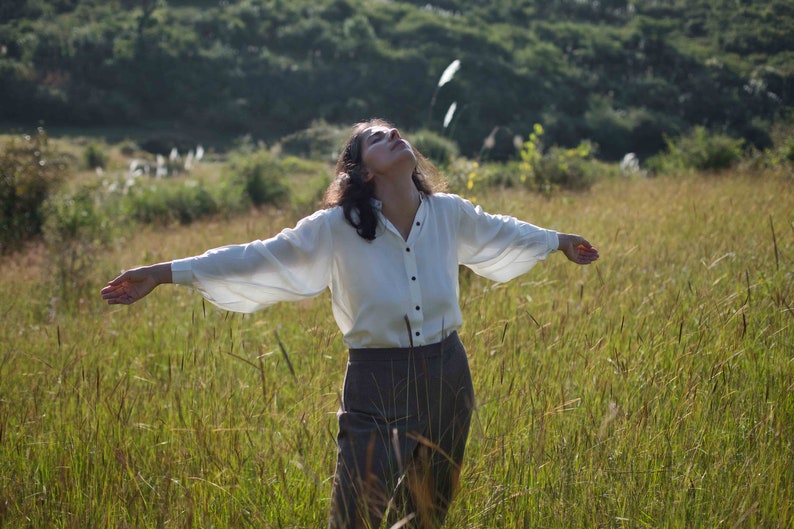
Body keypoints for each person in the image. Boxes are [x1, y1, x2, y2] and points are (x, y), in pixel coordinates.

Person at [101, 118, 599, 528]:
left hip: (448, 375)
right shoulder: (335, 228)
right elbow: (255, 257)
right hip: (375, 384)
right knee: (354, 518)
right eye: (376, 138)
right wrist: (163, 273)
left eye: (394, 131)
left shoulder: (449, 213)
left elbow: (504, 231)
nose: (393, 135)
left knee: (428, 514)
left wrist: (558, 240)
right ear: (360, 171)